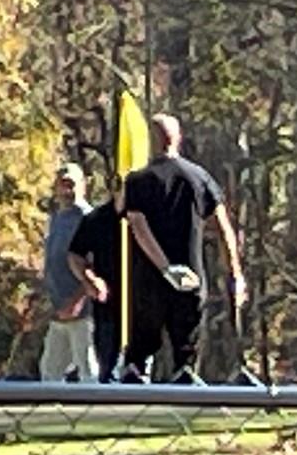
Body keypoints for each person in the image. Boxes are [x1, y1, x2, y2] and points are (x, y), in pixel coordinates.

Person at [119, 113, 246, 382]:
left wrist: (165, 268)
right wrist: (235, 273)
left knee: (140, 353)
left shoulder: (138, 181)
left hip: (149, 280)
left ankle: (133, 397)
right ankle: (182, 392)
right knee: (185, 353)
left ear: (150, 141)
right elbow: (224, 228)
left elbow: (139, 228)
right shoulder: (199, 177)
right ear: (178, 138)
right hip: (190, 278)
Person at [38, 164, 105, 383]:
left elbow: (96, 267)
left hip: (83, 312)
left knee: (88, 370)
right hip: (59, 311)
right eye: (62, 184)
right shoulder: (57, 218)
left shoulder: (89, 219)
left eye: (71, 184)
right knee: (50, 370)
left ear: (83, 186)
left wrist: (78, 301)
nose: (67, 190)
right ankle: (51, 416)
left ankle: (96, 415)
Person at [68, 179, 125, 381]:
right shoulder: (97, 219)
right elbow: (75, 255)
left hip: (141, 309)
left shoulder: (150, 216)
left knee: (136, 373)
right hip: (106, 305)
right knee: (107, 368)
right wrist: (90, 279)